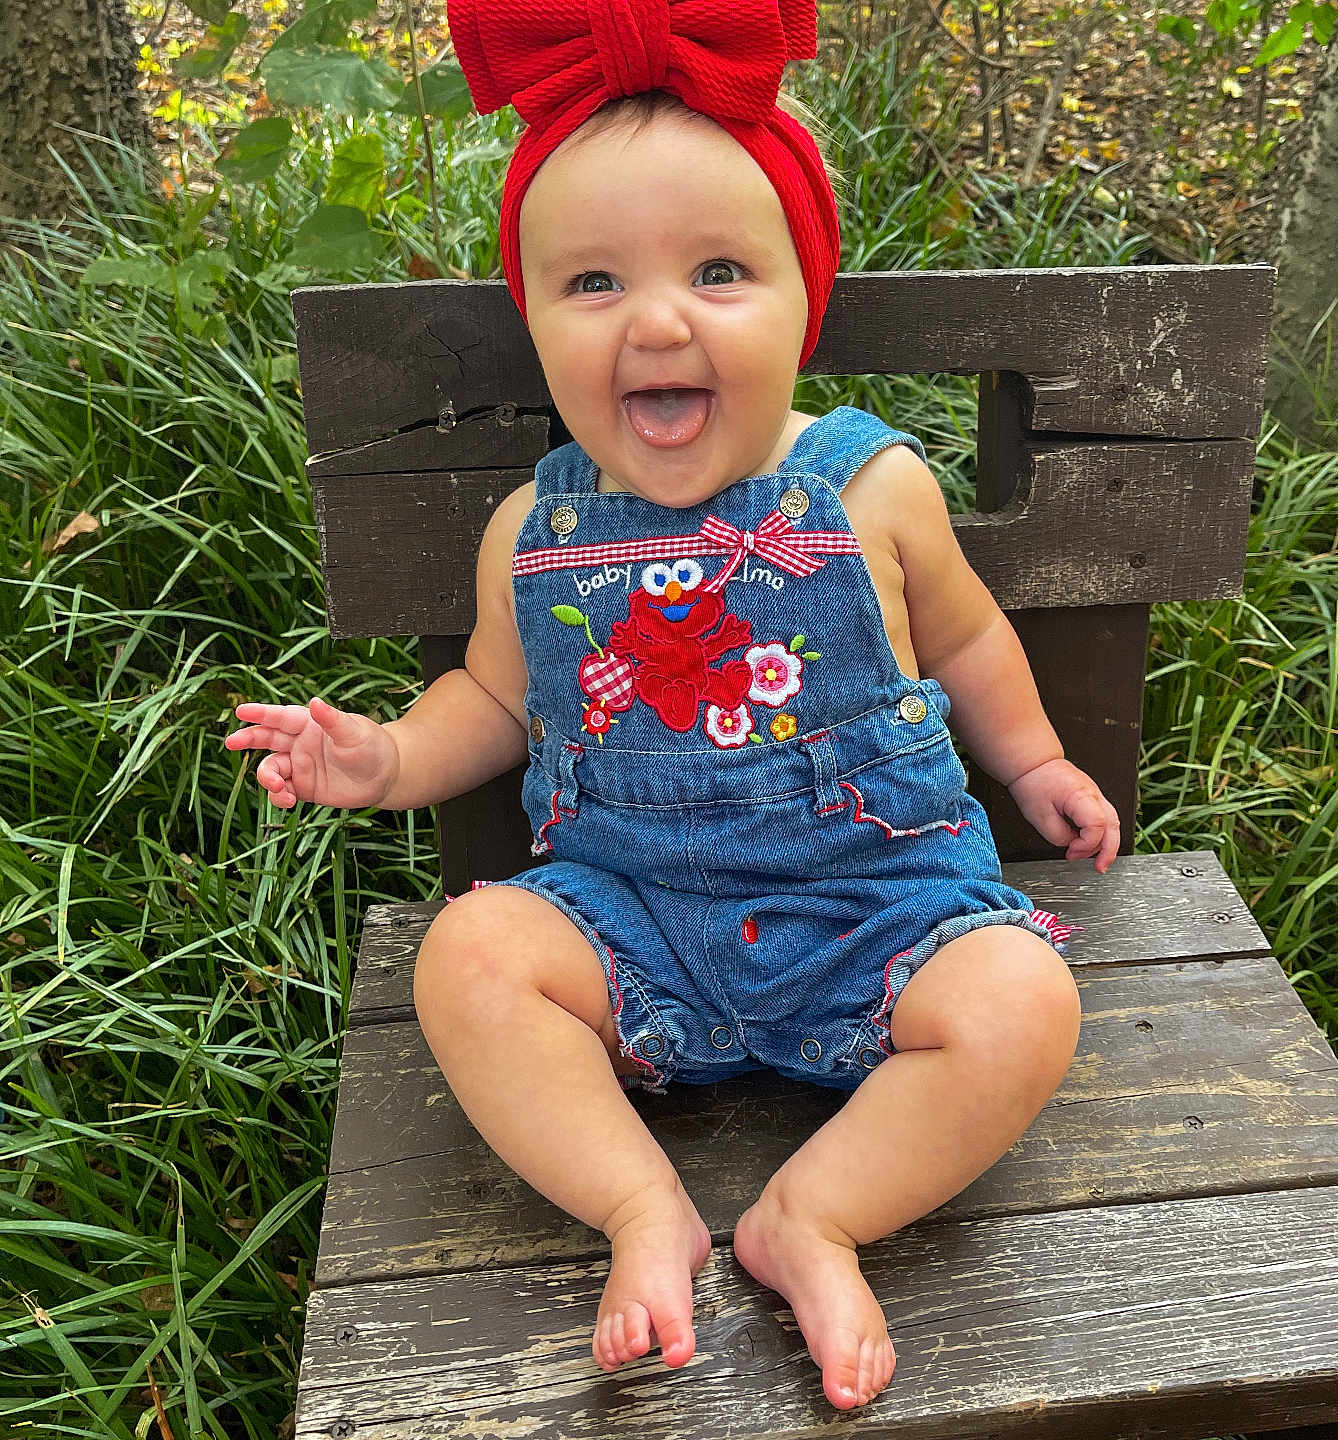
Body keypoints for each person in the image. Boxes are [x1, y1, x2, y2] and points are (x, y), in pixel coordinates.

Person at [224, 0, 1121, 1412]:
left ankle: (810, 1217)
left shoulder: (870, 487)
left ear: (800, 295)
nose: (656, 319)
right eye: (591, 283)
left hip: (878, 914)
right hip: (627, 927)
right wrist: (387, 754)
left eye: (718, 269)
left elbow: (962, 635)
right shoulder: (535, 526)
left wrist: (1041, 760)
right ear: (532, 319)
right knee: (469, 954)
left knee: (1024, 1004)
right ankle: (643, 1208)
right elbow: (491, 699)